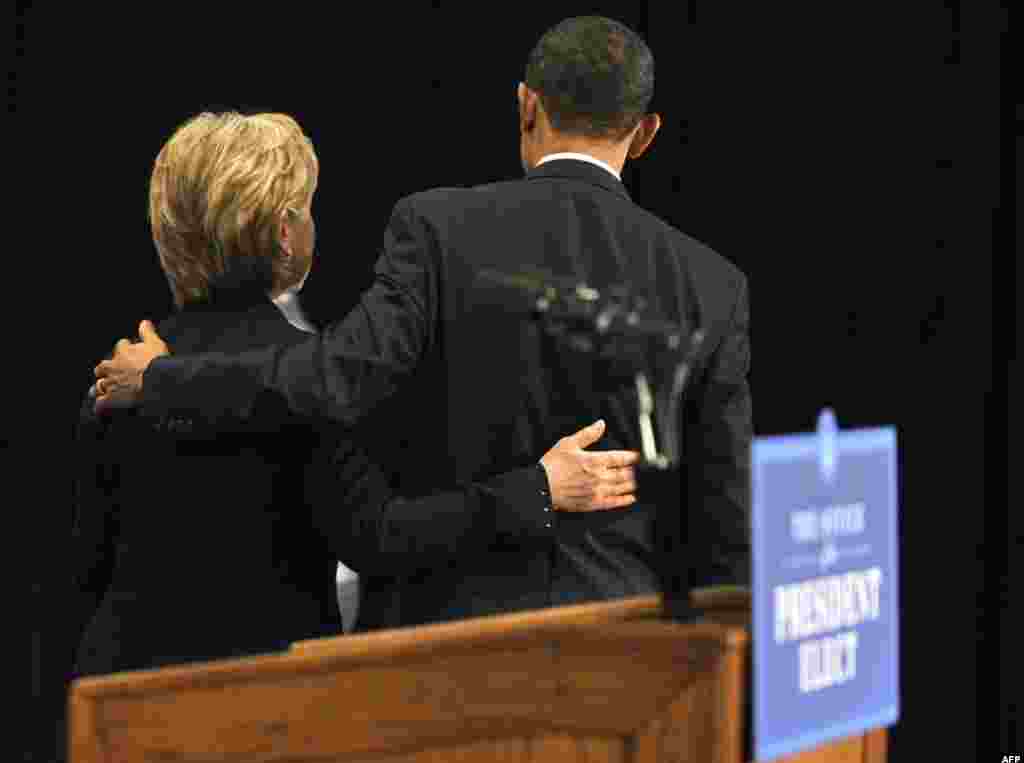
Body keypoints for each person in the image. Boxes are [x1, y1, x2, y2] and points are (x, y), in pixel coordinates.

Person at [93, 16, 751, 626]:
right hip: (627, 653)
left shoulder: (436, 229)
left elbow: (332, 378)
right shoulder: (714, 287)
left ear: (526, 104)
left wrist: (164, 380)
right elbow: (726, 526)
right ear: (646, 132)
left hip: (448, 653)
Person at [71, 109, 640, 685]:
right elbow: (380, 537)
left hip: (120, 699)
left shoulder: (120, 374)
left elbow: (85, 572)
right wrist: (538, 490)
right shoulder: (311, 377)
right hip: (263, 700)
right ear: (286, 233)